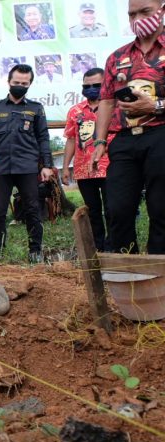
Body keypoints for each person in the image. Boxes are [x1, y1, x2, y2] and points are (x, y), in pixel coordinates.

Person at [92, 0, 165, 255]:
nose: (138, 18)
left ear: (161, 10)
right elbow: (107, 100)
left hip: (161, 136)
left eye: (145, 11)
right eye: (132, 14)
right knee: (118, 208)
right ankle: (127, 271)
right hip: (124, 140)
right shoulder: (117, 56)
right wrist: (99, 142)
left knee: (161, 208)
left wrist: (155, 105)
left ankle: (159, 274)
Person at [0, 64, 53, 263]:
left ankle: (35, 251)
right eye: (16, 82)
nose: (20, 85)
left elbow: (43, 137)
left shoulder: (36, 108)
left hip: (28, 167)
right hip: (2, 168)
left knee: (32, 210)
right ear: (8, 82)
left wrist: (47, 165)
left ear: (29, 84)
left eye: (24, 83)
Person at [63, 68, 112, 252]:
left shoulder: (113, 107)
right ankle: (98, 248)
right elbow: (71, 139)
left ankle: (112, 247)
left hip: (110, 166)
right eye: (87, 85)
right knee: (92, 211)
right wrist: (66, 167)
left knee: (111, 209)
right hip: (84, 169)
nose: (91, 88)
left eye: (96, 85)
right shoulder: (75, 111)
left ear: (105, 84)